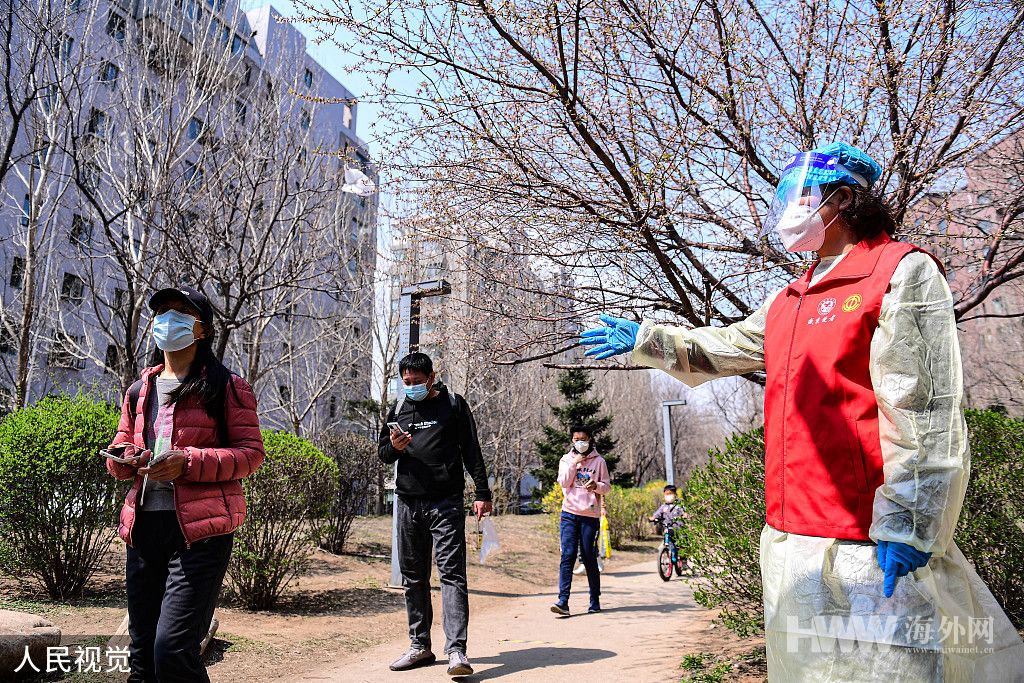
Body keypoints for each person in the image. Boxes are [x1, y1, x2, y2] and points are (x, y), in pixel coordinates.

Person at [582, 142, 1024, 680]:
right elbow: (729, 345)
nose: (789, 213)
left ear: (844, 199)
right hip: (792, 536)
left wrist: (911, 523)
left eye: (801, 197)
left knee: (890, 669)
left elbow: (924, 407)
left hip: (869, 539)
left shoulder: (899, 272)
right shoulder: (791, 297)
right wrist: (648, 339)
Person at [102, 286, 265, 683]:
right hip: (143, 527)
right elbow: (122, 443)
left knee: (172, 650)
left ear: (203, 329)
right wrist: (124, 459)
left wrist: (187, 462)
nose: (167, 319)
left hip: (200, 534)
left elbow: (250, 454)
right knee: (142, 657)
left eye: (180, 312)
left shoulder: (227, 386)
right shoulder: (139, 389)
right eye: (162, 312)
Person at [378, 352, 492, 677]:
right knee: (413, 577)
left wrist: (483, 493)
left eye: (417, 381)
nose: (411, 386)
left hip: (446, 503)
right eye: (406, 382)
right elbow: (383, 453)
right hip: (408, 503)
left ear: (431, 377)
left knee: (452, 575)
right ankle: (419, 646)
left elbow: (472, 451)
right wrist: (395, 447)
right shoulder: (399, 409)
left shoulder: (453, 405)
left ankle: (456, 651)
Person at [551, 425, 610, 616]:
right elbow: (563, 482)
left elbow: (607, 487)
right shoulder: (566, 459)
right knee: (567, 555)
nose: (580, 443)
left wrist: (596, 486)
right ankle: (563, 601)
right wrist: (574, 463)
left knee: (588, 557)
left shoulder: (599, 461)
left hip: (589, 515)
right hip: (569, 513)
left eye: (583, 439)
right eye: (576, 440)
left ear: (590, 439)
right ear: (572, 441)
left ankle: (594, 600)